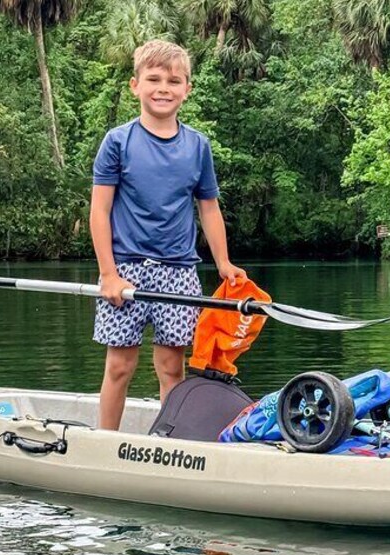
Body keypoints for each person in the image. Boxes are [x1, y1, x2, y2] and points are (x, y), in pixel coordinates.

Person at [90, 39, 246, 430]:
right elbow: (100, 210)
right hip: (125, 269)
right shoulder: (118, 142)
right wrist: (108, 274)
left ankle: (167, 444)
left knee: (171, 367)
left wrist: (224, 264)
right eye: (154, 79)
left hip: (178, 274)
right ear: (135, 85)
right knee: (120, 365)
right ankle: (104, 441)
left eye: (174, 81)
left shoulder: (197, 146)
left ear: (187, 90)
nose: (164, 88)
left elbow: (208, 208)